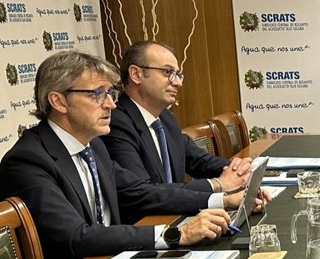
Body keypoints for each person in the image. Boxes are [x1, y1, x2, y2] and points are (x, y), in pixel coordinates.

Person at [0, 51, 242, 259]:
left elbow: (142, 192)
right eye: (97, 94)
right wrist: (177, 234)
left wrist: (223, 200)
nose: (111, 104)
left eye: (110, 94)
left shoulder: (93, 146)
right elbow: (77, 237)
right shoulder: (28, 161)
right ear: (58, 101)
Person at [103, 40, 251, 197]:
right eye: (167, 72)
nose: (178, 83)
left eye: (178, 75)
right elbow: (143, 192)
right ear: (136, 74)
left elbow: (197, 160)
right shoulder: (116, 123)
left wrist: (237, 168)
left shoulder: (164, 118)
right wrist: (217, 184)